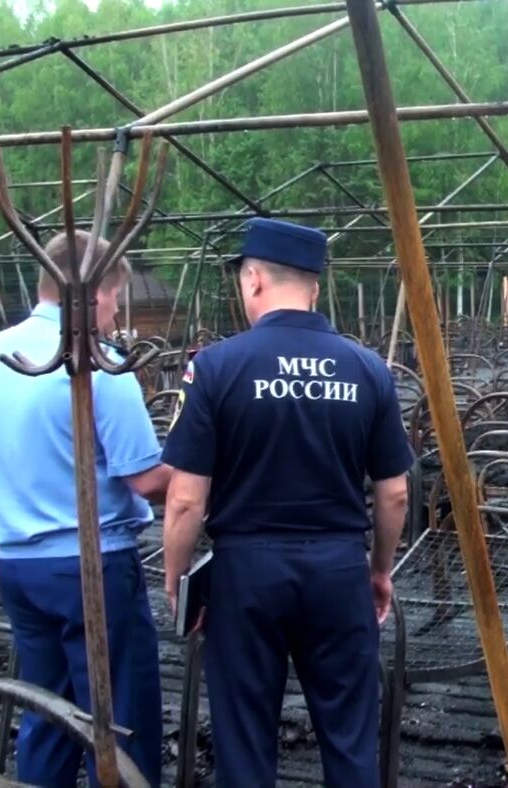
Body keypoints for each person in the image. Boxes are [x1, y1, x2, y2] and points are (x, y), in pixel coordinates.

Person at [160, 218, 414, 786]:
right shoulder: (369, 370)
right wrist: (378, 571)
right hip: (338, 568)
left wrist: (177, 576)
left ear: (252, 281)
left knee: (244, 739)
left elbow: (183, 500)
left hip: (246, 574)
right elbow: (394, 492)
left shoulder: (215, 366)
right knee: (350, 740)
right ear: (315, 288)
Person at [0, 230, 169, 785]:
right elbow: (145, 481)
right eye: (117, 297)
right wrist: (204, 472)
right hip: (93, 568)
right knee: (120, 718)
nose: (116, 311)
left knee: (47, 707)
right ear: (94, 294)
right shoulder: (100, 367)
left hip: (21, 569)